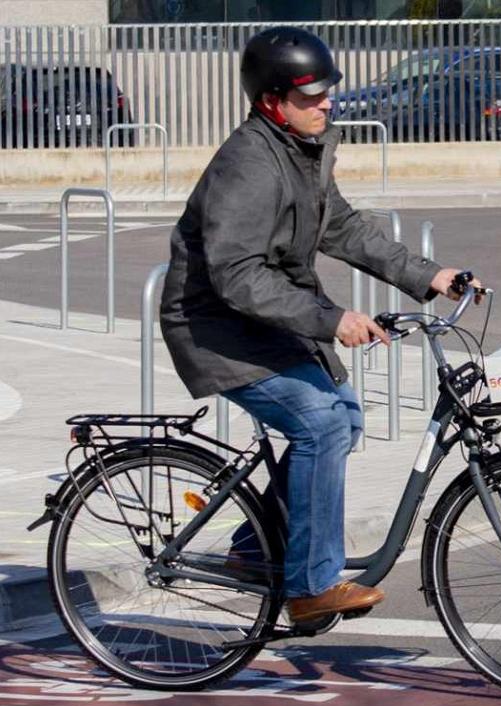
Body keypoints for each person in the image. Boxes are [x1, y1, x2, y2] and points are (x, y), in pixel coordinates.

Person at [160, 26, 478, 625]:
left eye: (328, 92)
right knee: (321, 424)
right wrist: (331, 320)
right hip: (213, 325)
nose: (326, 103)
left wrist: (433, 276)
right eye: (310, 96)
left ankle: (256, 551)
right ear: (271, 101)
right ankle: (309, 588)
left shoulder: (303, 151)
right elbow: (235, 275)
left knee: (345, 415)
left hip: (263, 317)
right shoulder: (250, 164)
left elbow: (345, 228)